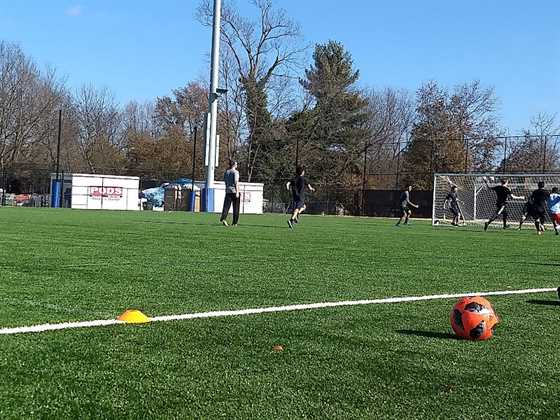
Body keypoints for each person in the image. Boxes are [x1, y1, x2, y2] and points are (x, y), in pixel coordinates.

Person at [220, 159, 240, 227]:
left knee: (226, 206)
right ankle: (235, 222)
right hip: (234, 191)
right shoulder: (235, 172)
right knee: (236, 208)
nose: (237, 165)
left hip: (228, 191)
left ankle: (223, 218)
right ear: (234, 165)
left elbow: (225, 181)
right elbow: (236, 182)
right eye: (236, 164)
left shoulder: (226, 172)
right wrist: (237, 192)